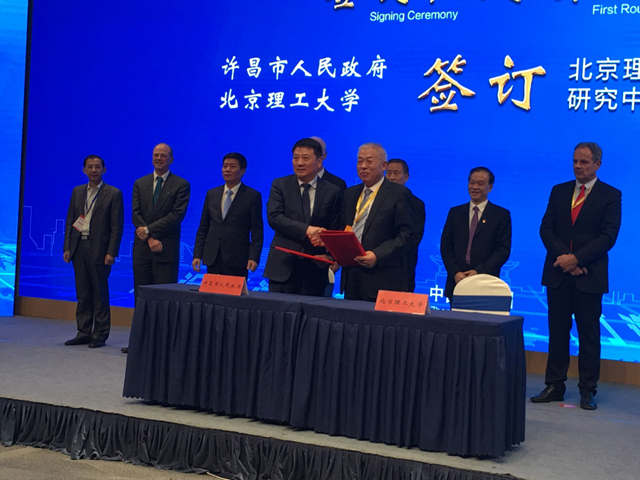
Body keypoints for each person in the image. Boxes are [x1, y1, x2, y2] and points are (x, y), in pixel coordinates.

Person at [531, 142, 621, 410]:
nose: (578, 166)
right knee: (557, 332)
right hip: (558, 273)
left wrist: (577, 259)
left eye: (583, 162)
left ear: (597, 164)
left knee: (589, 335)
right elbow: (546, 229)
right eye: (575, 161)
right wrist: (565, 259)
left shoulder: (610, 195)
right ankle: (554, 385)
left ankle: (587, 389)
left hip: (589, 275)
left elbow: (608, 236)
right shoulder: (559, 191)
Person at [123, 143, 190, 354]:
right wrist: (149, 237)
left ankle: (162, 345)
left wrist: (150, 231)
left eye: (163, 155)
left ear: (171, 159)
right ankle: (139, 343)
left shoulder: (181, 184)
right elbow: (135, 214)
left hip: (166, 249)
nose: (159, 158)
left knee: (164, 298)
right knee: (141, 296)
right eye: (155, 155)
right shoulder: (140, 183)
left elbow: (176, 215)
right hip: (143, 248)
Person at [263, 138, 342, 296]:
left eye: (305, 158)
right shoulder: (280, 185)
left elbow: (335, 227)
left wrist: (330, 254)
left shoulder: (332, 190)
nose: (299, 163)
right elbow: (274, 217)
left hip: (315, 269)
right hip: (282, 266)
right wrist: (307, 230)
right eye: (296, 158)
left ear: (319, 161)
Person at [63, 154, 124, 348]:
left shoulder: (113, 193)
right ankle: (83, 332)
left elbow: (116, 226)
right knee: (83, 294)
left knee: (99, 294)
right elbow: (71, 220)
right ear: (84, 170)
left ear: (104, 170)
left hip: (100, 249)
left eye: (97, 167)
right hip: (79, 246)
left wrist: (111, 252)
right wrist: (67, 247)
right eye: (90, 167)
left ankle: (100, 334)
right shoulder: (77, 191)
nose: (94, 170)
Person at [341, 143, 414, 301]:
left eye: (369, 161)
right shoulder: (350, 193)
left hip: (383, 277)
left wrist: (377, 255)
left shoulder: (399, 193)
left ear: (383, 165)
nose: (363, 166)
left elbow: (406, 235)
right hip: (352, 276)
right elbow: (345, 228)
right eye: (360, 161)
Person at [440, 167, 512, 301]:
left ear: (490, 187)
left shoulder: (501, 215)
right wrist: (455, 272)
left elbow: (503, 250)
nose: (474, 187)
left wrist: (479, 272)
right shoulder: (455, 213)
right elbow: (446, 245)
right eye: (472, 182)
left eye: (480, 183)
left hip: (486, 281)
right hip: (457, 280)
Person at [192, 152, 263, 277]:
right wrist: (197, 254)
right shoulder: (212, 194)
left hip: (238, 258)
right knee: (212, 289)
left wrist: (254, 257)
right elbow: (203, 227)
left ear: (243, 171)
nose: (227, 170)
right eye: (225, 166)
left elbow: (257, 230)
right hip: (213, 256)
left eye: (232, 166)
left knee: (234, 290)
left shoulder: (252, 196)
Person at [386, 158, 425, 292]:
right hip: (376, 264)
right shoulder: (376, 200)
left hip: (403, 265)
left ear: (406, 177)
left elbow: (414, 238)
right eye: (388, 173)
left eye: (396, 173)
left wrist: (387, 253)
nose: (391, 177)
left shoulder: (416, 204)